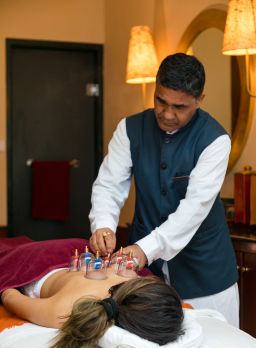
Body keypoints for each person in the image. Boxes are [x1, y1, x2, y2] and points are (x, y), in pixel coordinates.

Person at [89, 52, 239, 327]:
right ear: (155, 89)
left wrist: (144, 249)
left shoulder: (215, 140)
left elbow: (194, 210)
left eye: (180, 107)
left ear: (199, 100)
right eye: (161, 101)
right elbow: (109, 184)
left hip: (206, 274)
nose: (167, 114)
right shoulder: (129, 128)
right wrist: (103, 225)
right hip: (147, 275)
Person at [1, 267, 184, 348]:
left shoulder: (131, 276)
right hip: (59, 260)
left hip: (52, 259)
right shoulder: (64, 311)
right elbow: (9, 296)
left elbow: (9, 294)